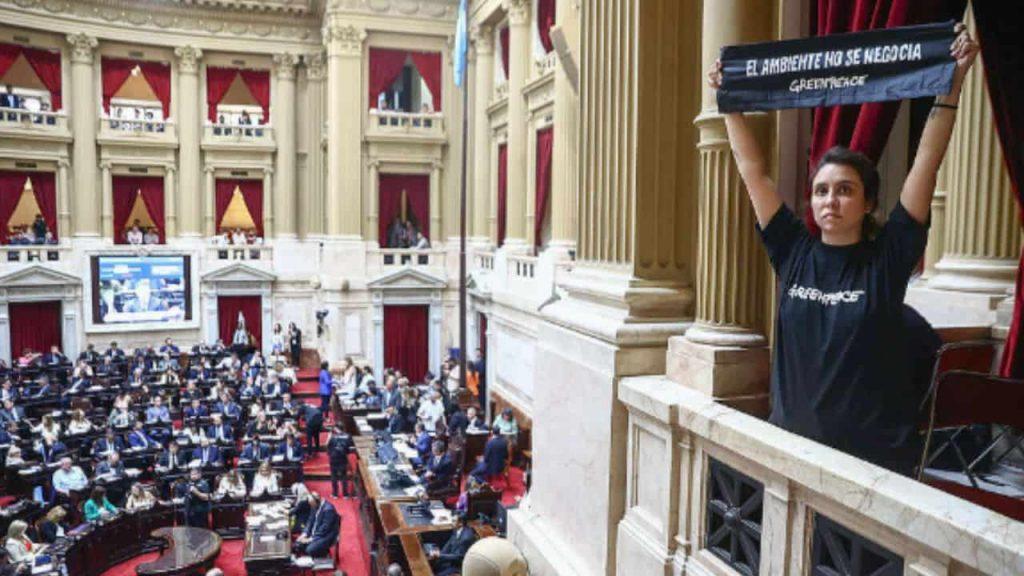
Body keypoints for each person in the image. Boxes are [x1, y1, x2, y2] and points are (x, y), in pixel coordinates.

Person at [706, 24, 978, 475]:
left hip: (868, 464)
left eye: (845, 190)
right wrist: (729, 103)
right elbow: (752, 171)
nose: (830, 200)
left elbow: (926, 162)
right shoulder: (793, 251)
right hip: (790, 454)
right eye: (821, 190)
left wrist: (953, 84)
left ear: (868, 202)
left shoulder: (887, 258)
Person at [294, 492, 339, 559]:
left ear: (318, 501)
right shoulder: (314, 505)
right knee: (297, 545)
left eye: (312, 504)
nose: (312, 506)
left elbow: (325, 529)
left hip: (326, 536)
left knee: (309, 550)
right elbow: (310, 521)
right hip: (315, 532)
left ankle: (324, 552)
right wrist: (305, 533)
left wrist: (310, 539)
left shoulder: (329, 509)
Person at [326, 426, 352, 498]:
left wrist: (329, 436)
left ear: (337, 428)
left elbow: (327, 446)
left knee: (334, 476)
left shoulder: (332, 437)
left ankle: (335, 494)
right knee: (344, 476)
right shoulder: (348, 436)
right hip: (343, 458)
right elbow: (349, 447)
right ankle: (345, 494)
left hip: (334, 458)